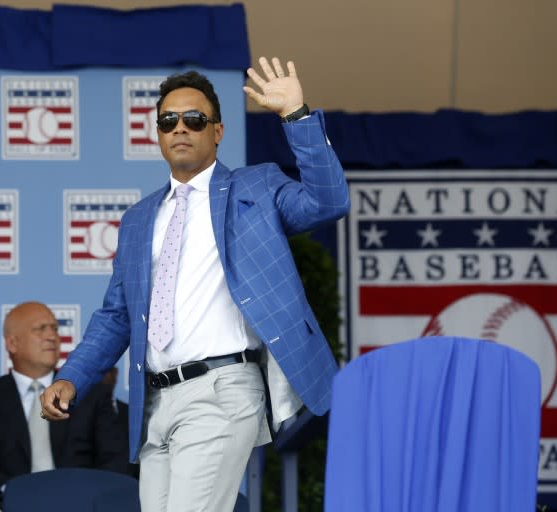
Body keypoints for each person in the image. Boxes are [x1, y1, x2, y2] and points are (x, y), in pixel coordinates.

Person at [41, 56, 350, 511]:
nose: (180, 128)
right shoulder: (139, 218)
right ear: (159, 134)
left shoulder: (257, 186)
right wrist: (72, 377)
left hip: (221, 389)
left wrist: (296, 116)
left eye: (194, 119)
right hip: (154, 404)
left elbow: (329, 201)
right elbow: (116, 317)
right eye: (169, 121)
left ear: (217, 131)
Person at [0, 301, 134, 506]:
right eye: (40, 329)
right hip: (10, 505)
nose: (52, 337)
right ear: (12, 343)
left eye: (55, 329)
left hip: (81, 505)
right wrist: (19, 494)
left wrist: (86, 495)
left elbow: (115, 460)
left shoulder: (90, 393)